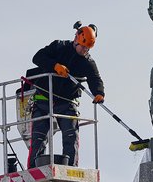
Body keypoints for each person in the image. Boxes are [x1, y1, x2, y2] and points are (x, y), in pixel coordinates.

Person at [26, 21, 105, 167]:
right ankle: (33, 169)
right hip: (43, 98)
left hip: (67, 102)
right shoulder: (59, 47)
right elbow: (37, 57)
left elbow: (95, 79)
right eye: (83, 47)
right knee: (38, 138)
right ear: (76, 39)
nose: (84, 51)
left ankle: (70, 168)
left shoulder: (87, 62)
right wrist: (54, 66)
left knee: (71, 135)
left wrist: (99, 93)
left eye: (87, 48)